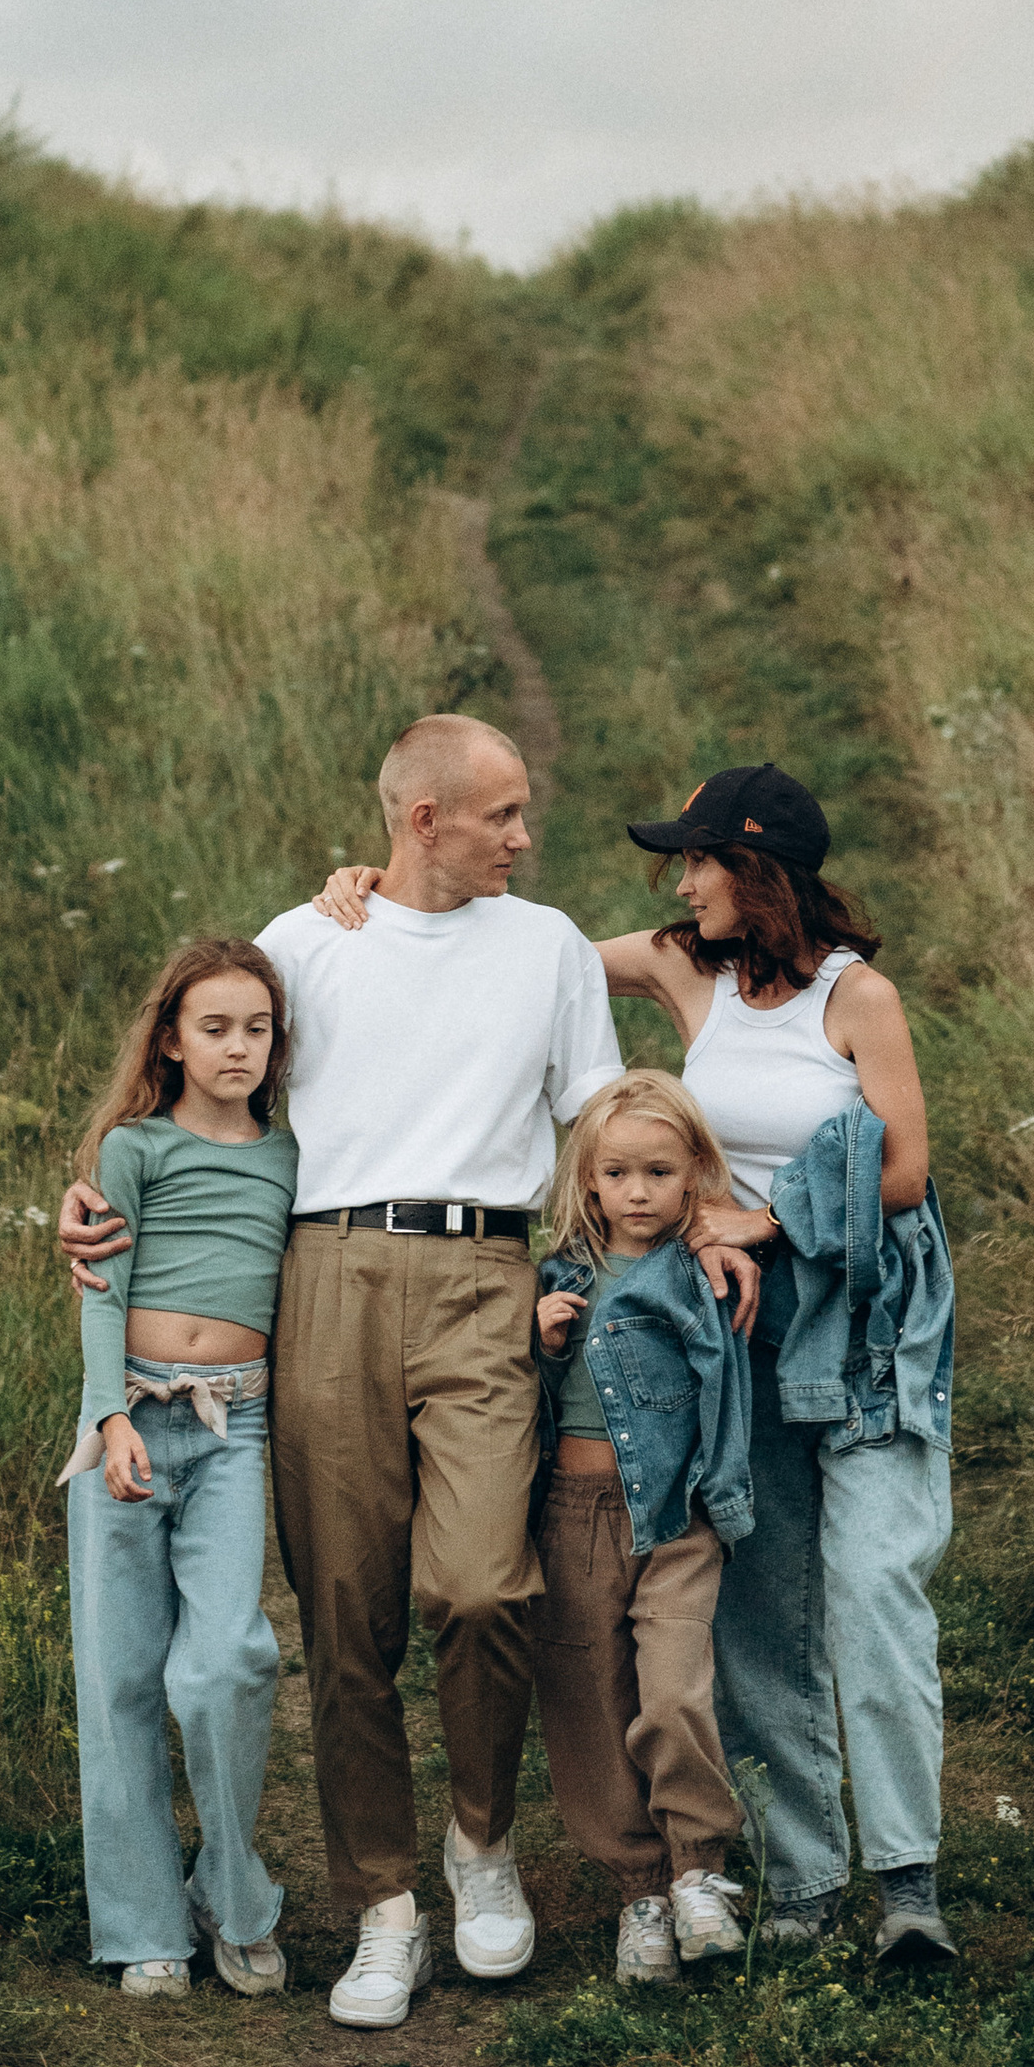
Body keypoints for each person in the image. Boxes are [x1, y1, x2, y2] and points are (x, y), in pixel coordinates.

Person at [317, 758, 953, 1967]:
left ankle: (908, 1880)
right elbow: (523, 948)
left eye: (699, 861)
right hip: (734, 1332)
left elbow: (905, 1169)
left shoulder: (856, 996)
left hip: (859, 1324)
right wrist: (383, 883)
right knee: (759, 1619)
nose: (681, 882)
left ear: (756, 871)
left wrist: (763, 1218)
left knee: (873, 1587)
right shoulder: (680, 963)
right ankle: (806, 1877)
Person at [60, 715, 628, 2032]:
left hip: (487, 1274)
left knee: (482, 1583)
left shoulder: (547, 945)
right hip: (323, 1277)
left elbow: (599, 1120)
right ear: (424, 820)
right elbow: (211, 1104)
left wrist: (647, 1239)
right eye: (502, 812)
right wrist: (97, 1205)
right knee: (345, 1613)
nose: (525, 833)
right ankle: (384, 1902)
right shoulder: (311, 941)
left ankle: (479, 1841)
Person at [57, 937, 297, 2003]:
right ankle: (142, 1924)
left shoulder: (291, 1156)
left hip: (233, 1427)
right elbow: (99, 1290)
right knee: (118, 1674)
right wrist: (108, 1417)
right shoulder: (132, 1147)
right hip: (130, 1422)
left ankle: (232, 1893)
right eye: (215, 1027)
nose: (238, 1047)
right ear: (170, 1040)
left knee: (226, 1659)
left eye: (257, 1028)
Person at [531, 1071, 755, 1987]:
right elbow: (526, 1405)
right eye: (617, 1173)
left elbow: (728, 1393)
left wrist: (723, 1500)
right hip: (574, 1511)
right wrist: (542, 1343)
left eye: (658, 1172)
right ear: (588, 1177)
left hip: (676, 1514)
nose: (636, 1192)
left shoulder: (700, 1271)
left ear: (694, 1171)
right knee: (591, 1699)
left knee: (671, 1692)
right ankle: (641, 1890)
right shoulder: (560, 1275)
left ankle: (699, 1868)